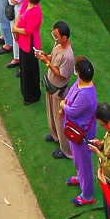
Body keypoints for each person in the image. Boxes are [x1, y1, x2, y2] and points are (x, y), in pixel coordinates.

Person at [62, 59, 99, 207]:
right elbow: (71, 93)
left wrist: (63, 106)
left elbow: (73, 111)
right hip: (75, 130)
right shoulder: (80, 83)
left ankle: (88, 195)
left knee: (84, 163)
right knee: (78, 159)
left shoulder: (85, 95)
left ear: (79, 73)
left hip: (82, 134)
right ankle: (80, 178)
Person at [41, 19, 76, 158]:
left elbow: (62, 76)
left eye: (57, 36)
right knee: (51, 114)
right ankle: (55, 135)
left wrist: (48, 63)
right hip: (51, 87)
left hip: (59, 91)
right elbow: (53, 57)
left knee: (60, 120)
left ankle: (65, 149)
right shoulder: (58, 45)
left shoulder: (68, 56)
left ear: (65, 37)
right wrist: (45, 55)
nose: (55, 38)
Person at [15, 0, 44, 105]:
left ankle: (32, 95)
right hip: (22, 41)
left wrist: (15, 29)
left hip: (30, 43)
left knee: (31, 69)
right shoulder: (26, 3)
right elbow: (20, 15)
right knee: (24, 66)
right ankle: (25, 90)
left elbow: (29, 31)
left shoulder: (36, 11)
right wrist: (16, 26)